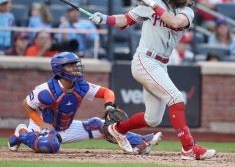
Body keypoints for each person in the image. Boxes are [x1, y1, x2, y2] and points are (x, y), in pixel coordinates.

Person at [89, 0, 216, 160]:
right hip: (145, 60)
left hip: (161, 64)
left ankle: (117, 129)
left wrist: (153, 6)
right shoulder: (151, 4)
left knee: (153, 119)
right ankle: (189, 148)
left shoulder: (186, 10)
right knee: (176, 97)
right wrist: (104, 19)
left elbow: (175, 22)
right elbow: (125, 19)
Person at [8, 52, 162, 154]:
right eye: (70, 65)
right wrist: (40, 123)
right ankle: (22, 133)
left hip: (66, 128)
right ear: (59, 69)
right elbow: (26, 104)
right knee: (50, 146)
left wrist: (109, 106)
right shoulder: (46, 90)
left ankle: (142, 142)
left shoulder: (81, 86)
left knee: (101, 125)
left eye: (75, 64)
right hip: (43, 128)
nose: (75, 68)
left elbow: (107, 92)